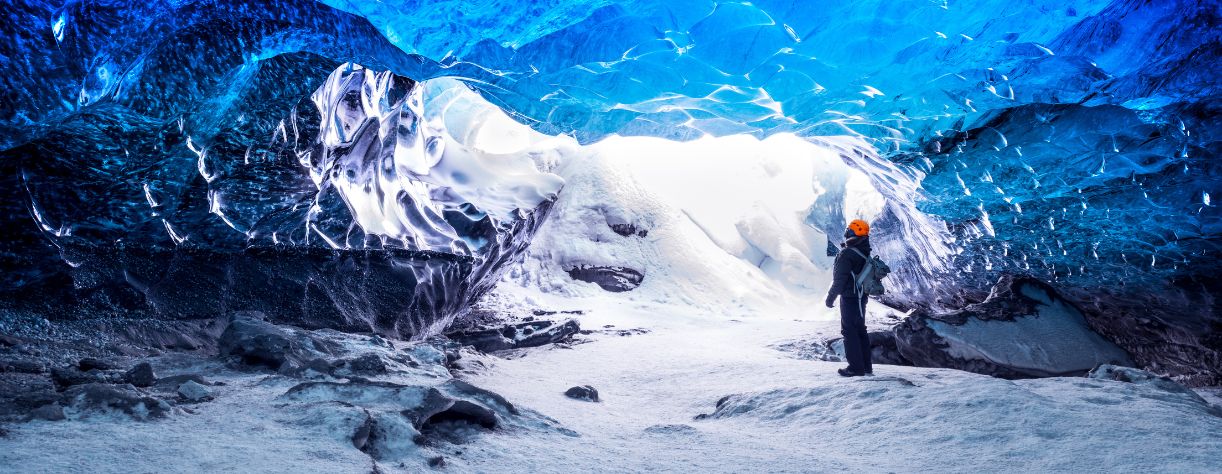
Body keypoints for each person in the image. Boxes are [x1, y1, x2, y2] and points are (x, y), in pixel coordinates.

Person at [825, 219, 873, 377]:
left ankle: (855, 368)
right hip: (860, 297)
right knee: (860, 330)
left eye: (849, 229)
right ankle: (866, 367)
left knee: (849, 331)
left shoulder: (847, 253)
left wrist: (830, 298)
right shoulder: (864, 251)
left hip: (850, 298)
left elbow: (840, 280)